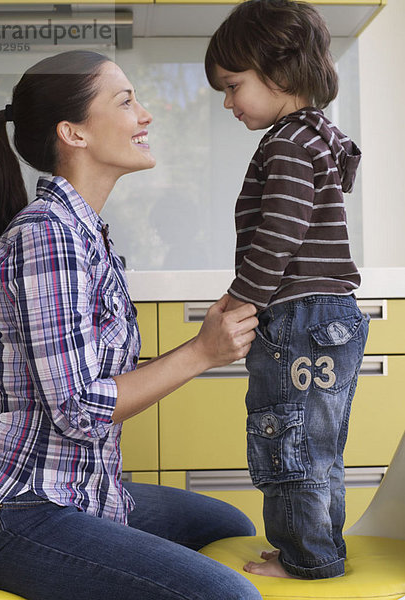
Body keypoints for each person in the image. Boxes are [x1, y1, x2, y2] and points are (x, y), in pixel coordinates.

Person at [0, 50, 262, 600]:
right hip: (22, 510)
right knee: (228, 596)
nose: (145, 115)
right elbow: (78, 408)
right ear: (73, 133)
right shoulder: (48, 237)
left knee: (228, 527)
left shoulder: (85, 234)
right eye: (126, 100)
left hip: (86, 489)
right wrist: (200, 352)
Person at [205, 0, 370, 580]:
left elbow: (278, 232)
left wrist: (241, 297)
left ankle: (308, 559)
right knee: (316, 442)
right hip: (330, 315)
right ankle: (317, 548)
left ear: (280, 70)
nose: (228, 102)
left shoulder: (286, 143)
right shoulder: (319, 136)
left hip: (299, 317)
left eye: (233, 85)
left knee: (288, 438)